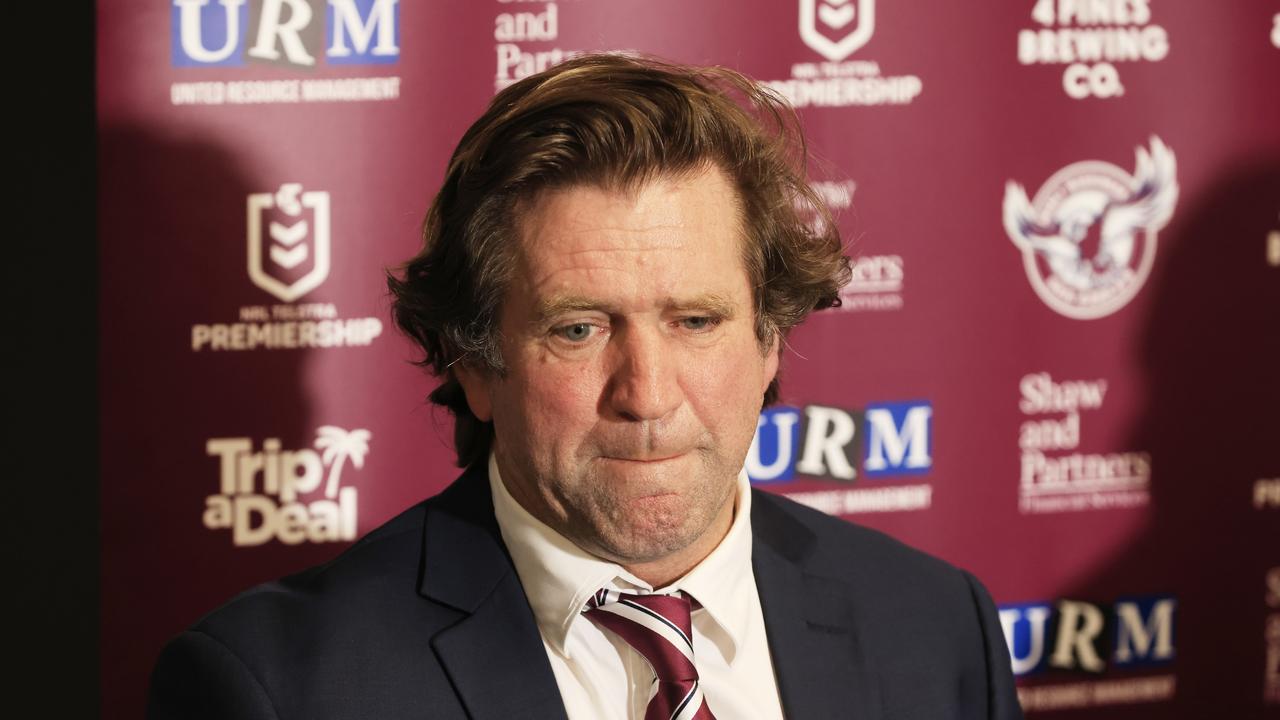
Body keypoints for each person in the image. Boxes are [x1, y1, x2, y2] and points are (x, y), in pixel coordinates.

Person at [149, 53, 1022, 720]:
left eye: (695, 321)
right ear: (475, 366)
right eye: (579, 329)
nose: (646, 394)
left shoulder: (937, 627)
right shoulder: (278, 686)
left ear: (770, 344)